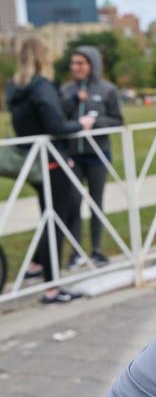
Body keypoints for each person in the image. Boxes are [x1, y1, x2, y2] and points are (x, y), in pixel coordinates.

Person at [6, 38, 94, 303]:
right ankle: (51, 286)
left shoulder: (16, 86)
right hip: (52, 158)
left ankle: (37, 265)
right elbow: (55, 125)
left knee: (51, 216)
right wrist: (81, 123)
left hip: (33, 157)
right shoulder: (42, 85)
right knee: (59, 218)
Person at [61, 45, 124, 268]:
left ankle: (97, 250)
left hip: (97, 155)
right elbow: (60, 117)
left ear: (92, 65)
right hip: (73, 156)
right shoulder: (66, 89)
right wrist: (74, 101)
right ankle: (75, 251)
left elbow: (118, 120)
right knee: (73, 203)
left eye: (81, 63)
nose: (75, 67)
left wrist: (95, 122)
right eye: (73, 63)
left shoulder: (107, 89)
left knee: (96, 203)